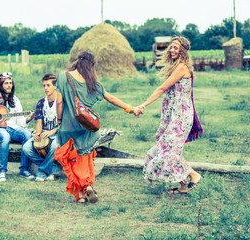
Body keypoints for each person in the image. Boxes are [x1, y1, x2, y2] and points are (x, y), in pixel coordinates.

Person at [55, 51, 138, 203]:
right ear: (91, 66)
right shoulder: (92, 83)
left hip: (68, 127)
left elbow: (59, 101)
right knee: (86, 157)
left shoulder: (63, 77)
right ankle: (88, 185)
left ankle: (80, 195)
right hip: (86, 126)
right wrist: (131, 109)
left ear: (77, 61)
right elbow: (111, 98)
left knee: (73, 159)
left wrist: (59, 119)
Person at [134, 37, 203, 194]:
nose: (172, 50)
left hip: (181, 116)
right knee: (164, 150)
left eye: (176, 48)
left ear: (183, 51)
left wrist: (143, 105)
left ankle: (193, 175)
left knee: (168, 150)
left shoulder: (181, 67)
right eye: (171, 47)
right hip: (173, 115)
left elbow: (162, 88)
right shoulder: (176, 66)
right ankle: (183, 185)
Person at [22, 73, 59, 182]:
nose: (45, 88)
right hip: (43, 133)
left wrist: (52, 131)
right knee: (26, 148)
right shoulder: (41, 103)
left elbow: (66, 123)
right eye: (44, 85)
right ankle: (51, 169)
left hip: (58, 134)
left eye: (48, 85)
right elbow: (39, 121)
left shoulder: (61, 102)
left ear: (55, 86)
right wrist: (37, 134)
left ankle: (42, 171)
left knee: (55, 146)